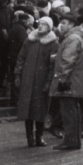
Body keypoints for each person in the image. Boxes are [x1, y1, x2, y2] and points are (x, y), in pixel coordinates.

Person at [15, 16, 59, 147]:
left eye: (44, 24)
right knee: (27, 109)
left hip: (41, 80)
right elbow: (21, 58)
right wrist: (17, 75)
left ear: (49, 27)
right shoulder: (29, 41)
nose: (40, 26)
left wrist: (49, 82)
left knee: (40, 109)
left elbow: (53, 65)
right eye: (40, 24)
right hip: (27, 80)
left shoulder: (53, 44)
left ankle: (39, 136)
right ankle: (29, 138)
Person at [50, 10, 83, 151]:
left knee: (69, 113)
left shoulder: (72, 38)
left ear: (71, 24)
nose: (60, 26)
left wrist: (62, 79)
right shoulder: (76, 37)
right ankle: (74, 141)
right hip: (75, 81)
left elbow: (67, 61)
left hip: (68, 82)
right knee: (73, 111)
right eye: (60, 23)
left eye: (63, 23)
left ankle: (71, 141)